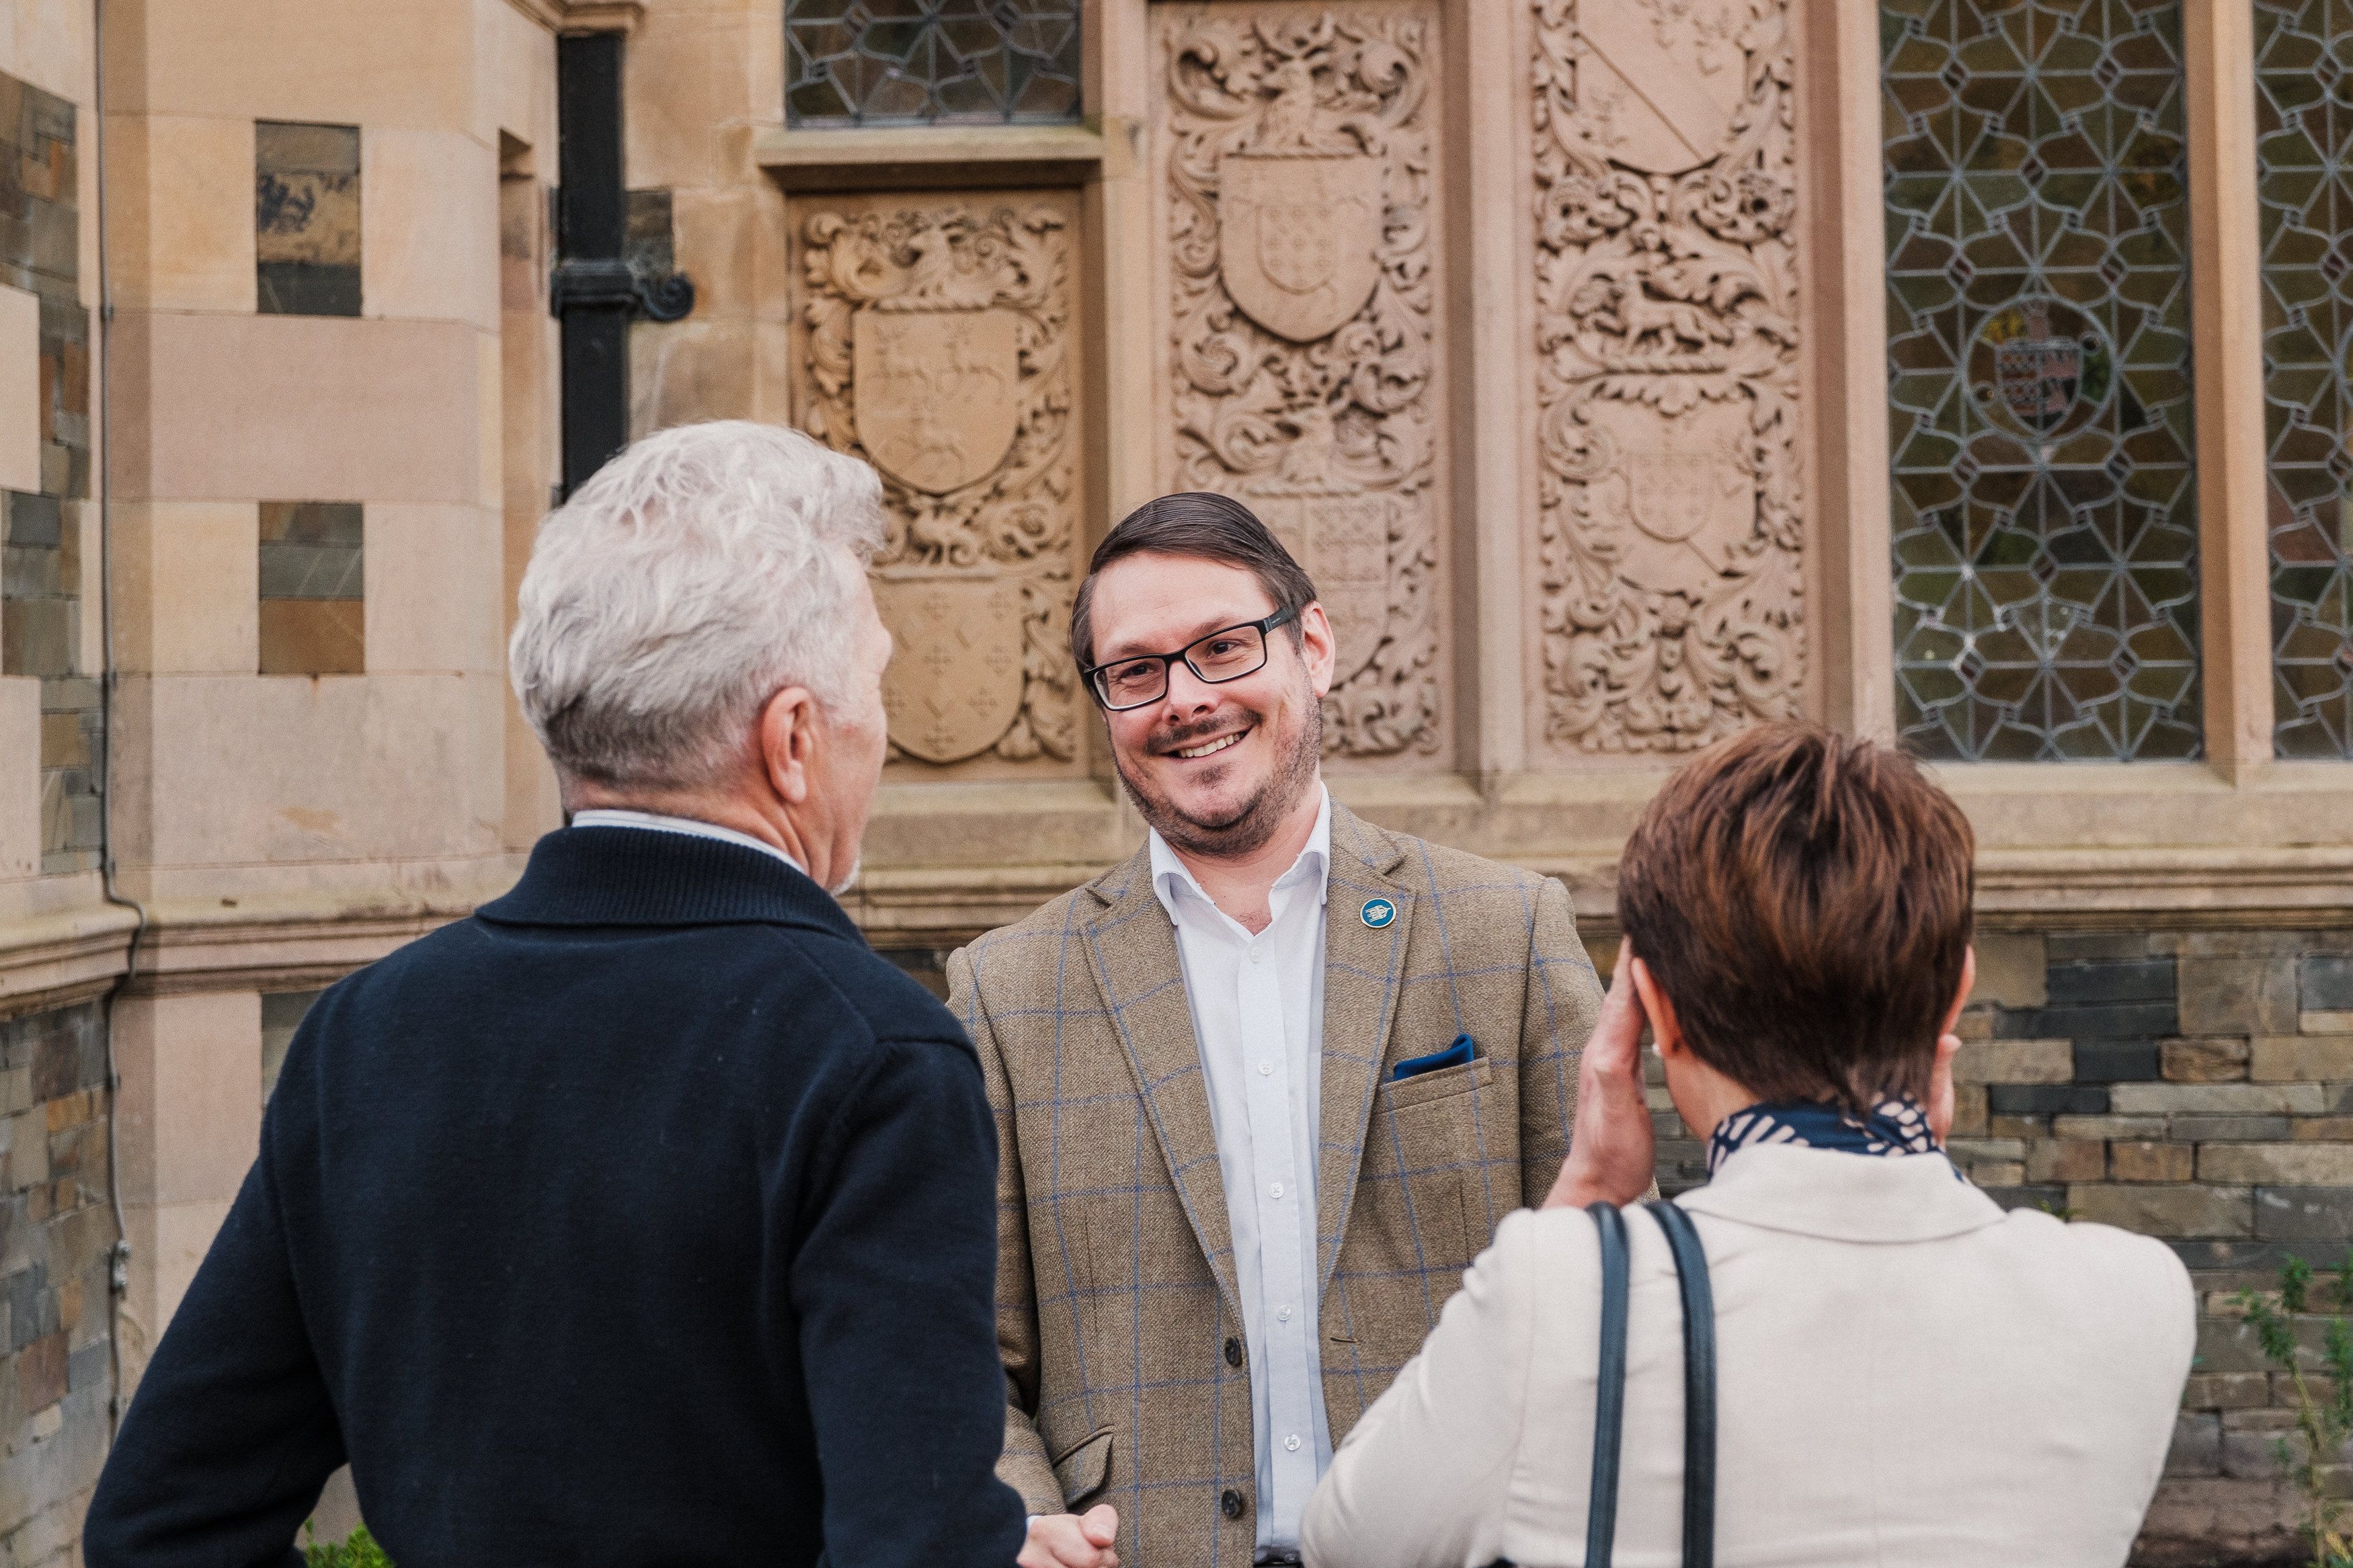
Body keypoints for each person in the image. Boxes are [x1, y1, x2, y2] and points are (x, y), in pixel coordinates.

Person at [83, 422, 1028, 1568]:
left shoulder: (367, 1030)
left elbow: (163, 1526)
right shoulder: (874, 1056)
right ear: (791, 738)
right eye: (873, 684)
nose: (878, 730)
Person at [1302, 723, 2196, 1567]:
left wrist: (1590, 1186)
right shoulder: (2136, 1297)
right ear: (1956, 991)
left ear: (1655, 1013)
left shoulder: (1563, 1292)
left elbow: (1349, 1535)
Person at [949, 493, 1607, 1568]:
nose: (1187, 698)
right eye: (1138, 671)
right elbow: (967, 1346)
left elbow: (1605, 1280)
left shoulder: (1506, 932)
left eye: (1221, 646)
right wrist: (1025, 1519)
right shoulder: (1008, 991)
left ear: (1312, 645)